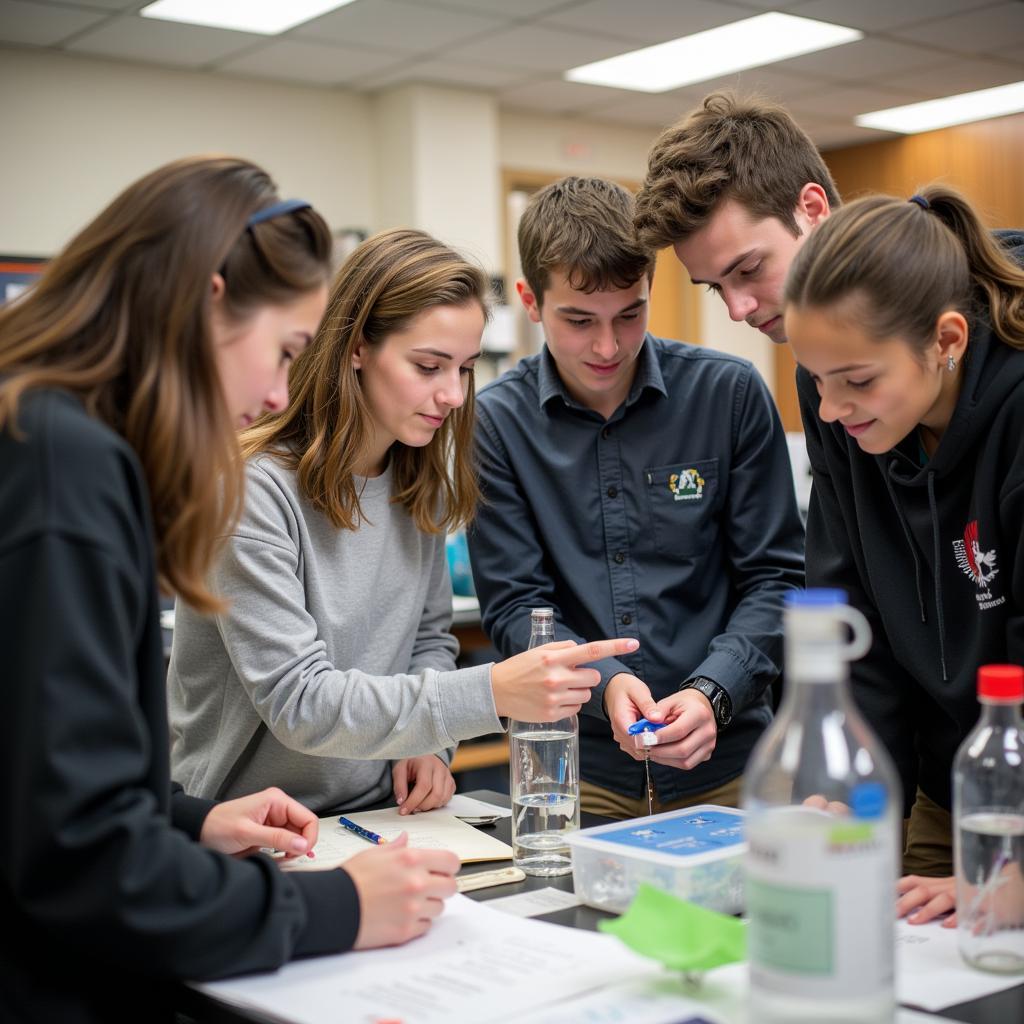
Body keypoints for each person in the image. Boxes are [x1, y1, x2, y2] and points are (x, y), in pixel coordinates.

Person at [0, 158, 461, 1023]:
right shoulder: (68, 472)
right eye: (285, 351)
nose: (280, 392)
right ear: (208, 302)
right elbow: (86, 862)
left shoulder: (50, 438)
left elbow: (46, 785)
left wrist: (184, 823)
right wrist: (345, 907)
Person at [168, 227, 639, 819]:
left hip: (382, 813)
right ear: (357, 348)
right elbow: (301, 702)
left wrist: (429, 746)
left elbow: (429, 639)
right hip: (248, 823)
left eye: (465, 369)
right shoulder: (250, 490)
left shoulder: (416, 482)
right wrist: (490, 693)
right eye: (428, 366)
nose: (453, 395)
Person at [467, 176, 804, 820]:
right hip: (574, 766)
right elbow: (516, 607)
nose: (607, 346)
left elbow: (776, 577)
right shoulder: (495, 424)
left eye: (630, 314)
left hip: (731, 759)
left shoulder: (727, 395)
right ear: (530, 303)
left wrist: (714, 691)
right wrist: (607, 686)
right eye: (578, 320)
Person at [782, 185, 1024, 924]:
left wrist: (1014, 871)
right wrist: (850, 804)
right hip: (943, 789)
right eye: (815, 380)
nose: (829, 409)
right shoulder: (846, 416)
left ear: (946, 340)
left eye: (856, 381)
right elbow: (855, 622)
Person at [634, 92, 838, 347]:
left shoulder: (902, 326)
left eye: (750, 269)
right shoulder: (815, 365)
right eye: (715, 287)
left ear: (813, 209)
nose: (737, 311)